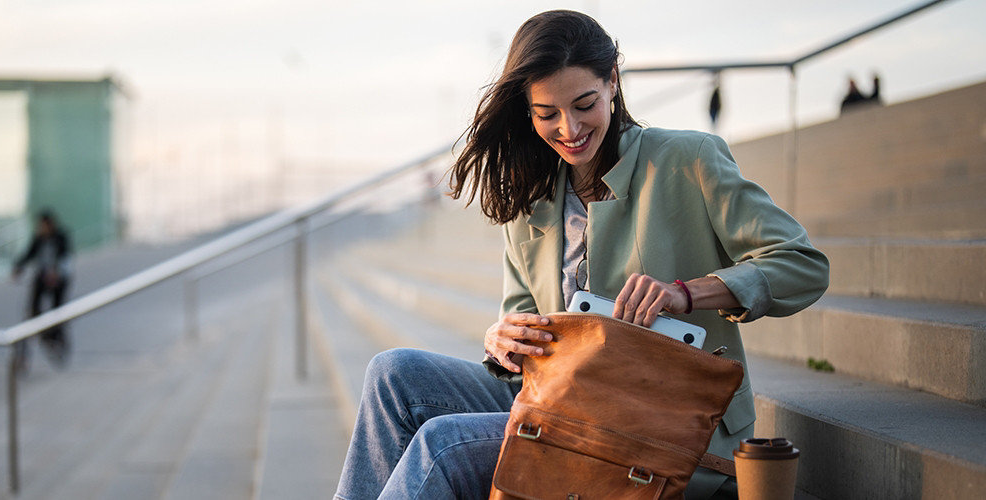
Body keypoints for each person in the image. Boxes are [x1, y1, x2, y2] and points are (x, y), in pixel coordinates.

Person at [333, 10, 829, 500]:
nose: (569, 128)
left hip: (661, 426)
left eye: (584, 104)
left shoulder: (688, 159)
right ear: (528, 111)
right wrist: (504, 341)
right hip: (562, 403)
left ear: (612, 81)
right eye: (547, 114)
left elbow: (802, 265)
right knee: (391, 374)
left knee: (442, 445)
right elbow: (524, 326)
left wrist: (684, 294)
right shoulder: (531, 199)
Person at [11, 210, 73, 371]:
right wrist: (18, 267)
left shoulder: (61, 238)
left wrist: (55, 272)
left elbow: (64, 255)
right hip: (43, 277)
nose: (42, 229)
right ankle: (37, 327)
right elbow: (29, 253)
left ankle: (55, 334)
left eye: (44, 226)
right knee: (33, 308)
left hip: (58, 278)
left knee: (56, 310)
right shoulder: (38, 238)